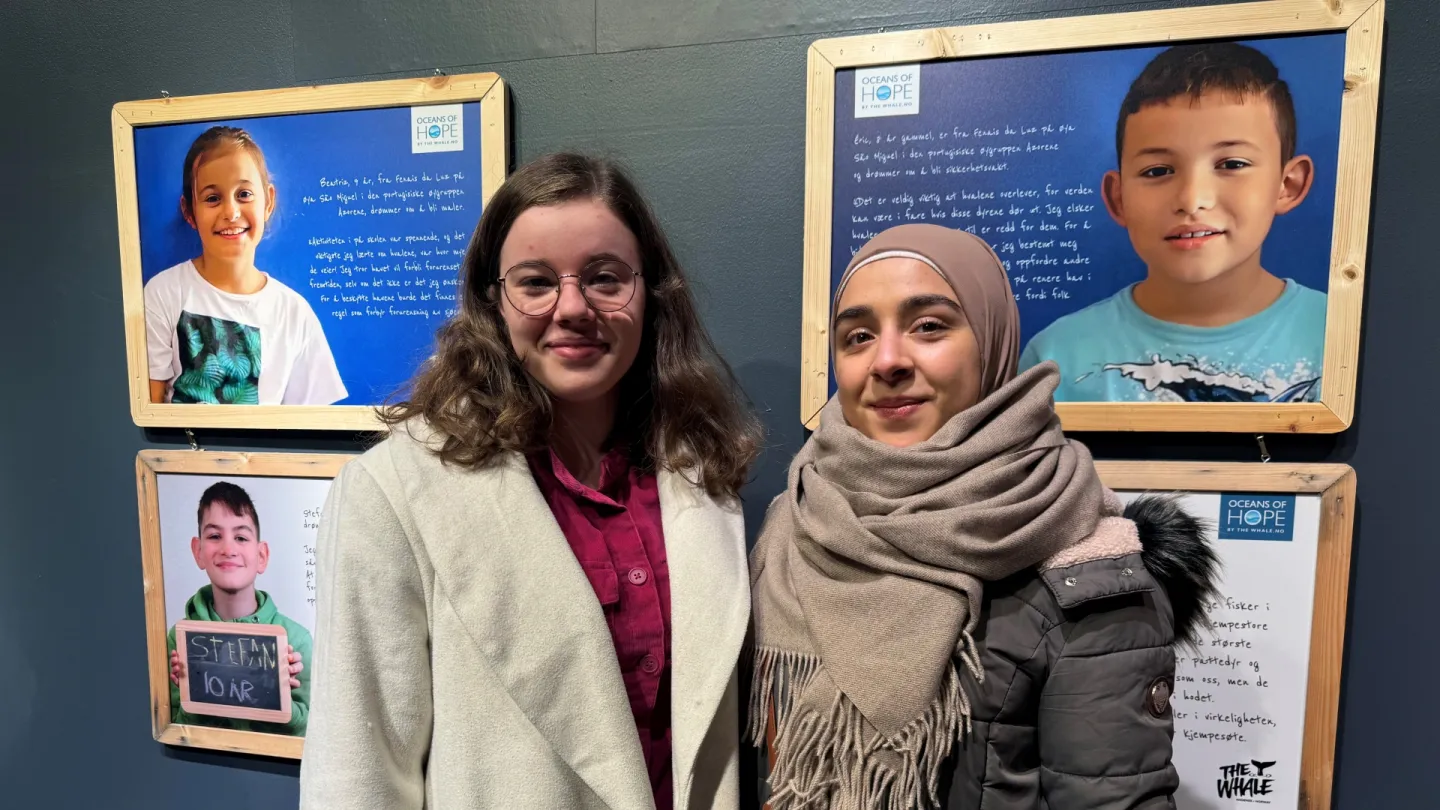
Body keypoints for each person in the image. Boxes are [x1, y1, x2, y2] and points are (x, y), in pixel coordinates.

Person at [298, 153, 763, 810]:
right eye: (537, 282)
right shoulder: (396, 491)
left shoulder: (699, 474)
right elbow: (358, 772)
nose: (572, 308)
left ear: (650, 291)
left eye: (605, 279)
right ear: (495, 301)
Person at [750, 223, 1220, 808]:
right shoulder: (797, 521)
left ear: (992, 341)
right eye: (858, 336)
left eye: (929, 326)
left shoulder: (1089, 569)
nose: (888, 360)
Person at [1020, 43, 1324, 403]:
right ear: (1119, 199)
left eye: (1232, 164)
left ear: (1287, 185)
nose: (1192, 200)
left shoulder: (1341, 337)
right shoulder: (1056, 359)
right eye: (1158, 171)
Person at [144, 125, 347, 406]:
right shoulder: (162, 293)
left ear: (268, 201)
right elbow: (149, 414)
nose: (231, 212)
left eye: (244, 194)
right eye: (213, 198)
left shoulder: (294, 313)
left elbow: (308, 429)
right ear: (189, 211)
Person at [166, 481, 311, 735]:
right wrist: (193, 693)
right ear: (198, 551)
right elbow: (177, 730)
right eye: (214, 536)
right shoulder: (179, 638)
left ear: (261, 556)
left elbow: (313, 732)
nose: (228, 549)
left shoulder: (296, 640)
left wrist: (280, 698)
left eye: (241, 537)